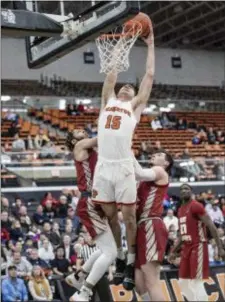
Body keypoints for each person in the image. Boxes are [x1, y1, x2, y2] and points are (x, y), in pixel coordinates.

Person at [92, 20, 155, 290]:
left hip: (124, 167)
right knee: (110, 217)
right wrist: (122, 40)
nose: (127, 88)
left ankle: (129, 261)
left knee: (129, 218)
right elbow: (112, 72)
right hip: (104, 168)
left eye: (131, 87)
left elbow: (149, 76)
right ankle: (119, 257)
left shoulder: (135, 107)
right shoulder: (108, 101)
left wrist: (150, 44)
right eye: (123, 87)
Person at [65, 130, 117, 301]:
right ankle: (84, 292)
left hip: (97, 200)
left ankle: (78, 277)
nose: (83, 132)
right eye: (79, 132)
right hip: (89, 201)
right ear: (73, 140)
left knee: (106, 250)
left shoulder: (92, 151)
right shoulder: (79, 147)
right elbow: (101, 137)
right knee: (110, 253)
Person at [168, 184, 225, 301]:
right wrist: (173, 251)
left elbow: (212, 226)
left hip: (198, 245)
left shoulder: (196, 206)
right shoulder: (180, 210)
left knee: (196, 282)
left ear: (191, 191)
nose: (184, 191)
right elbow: (182, 235)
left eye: (187, 189)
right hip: (186, 248)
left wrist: (220, 247)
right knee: (182, 284)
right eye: (182, 189)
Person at [134, 150, 173, 301]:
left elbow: (137, 172)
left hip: (151, 223)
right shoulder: (146, 179)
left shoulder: (160, 171)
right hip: (141, 226)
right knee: (139, 283)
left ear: (166, 163)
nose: (154, 155)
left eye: (159, 155)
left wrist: (126, 149)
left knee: (151, 281)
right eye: (153, 154)